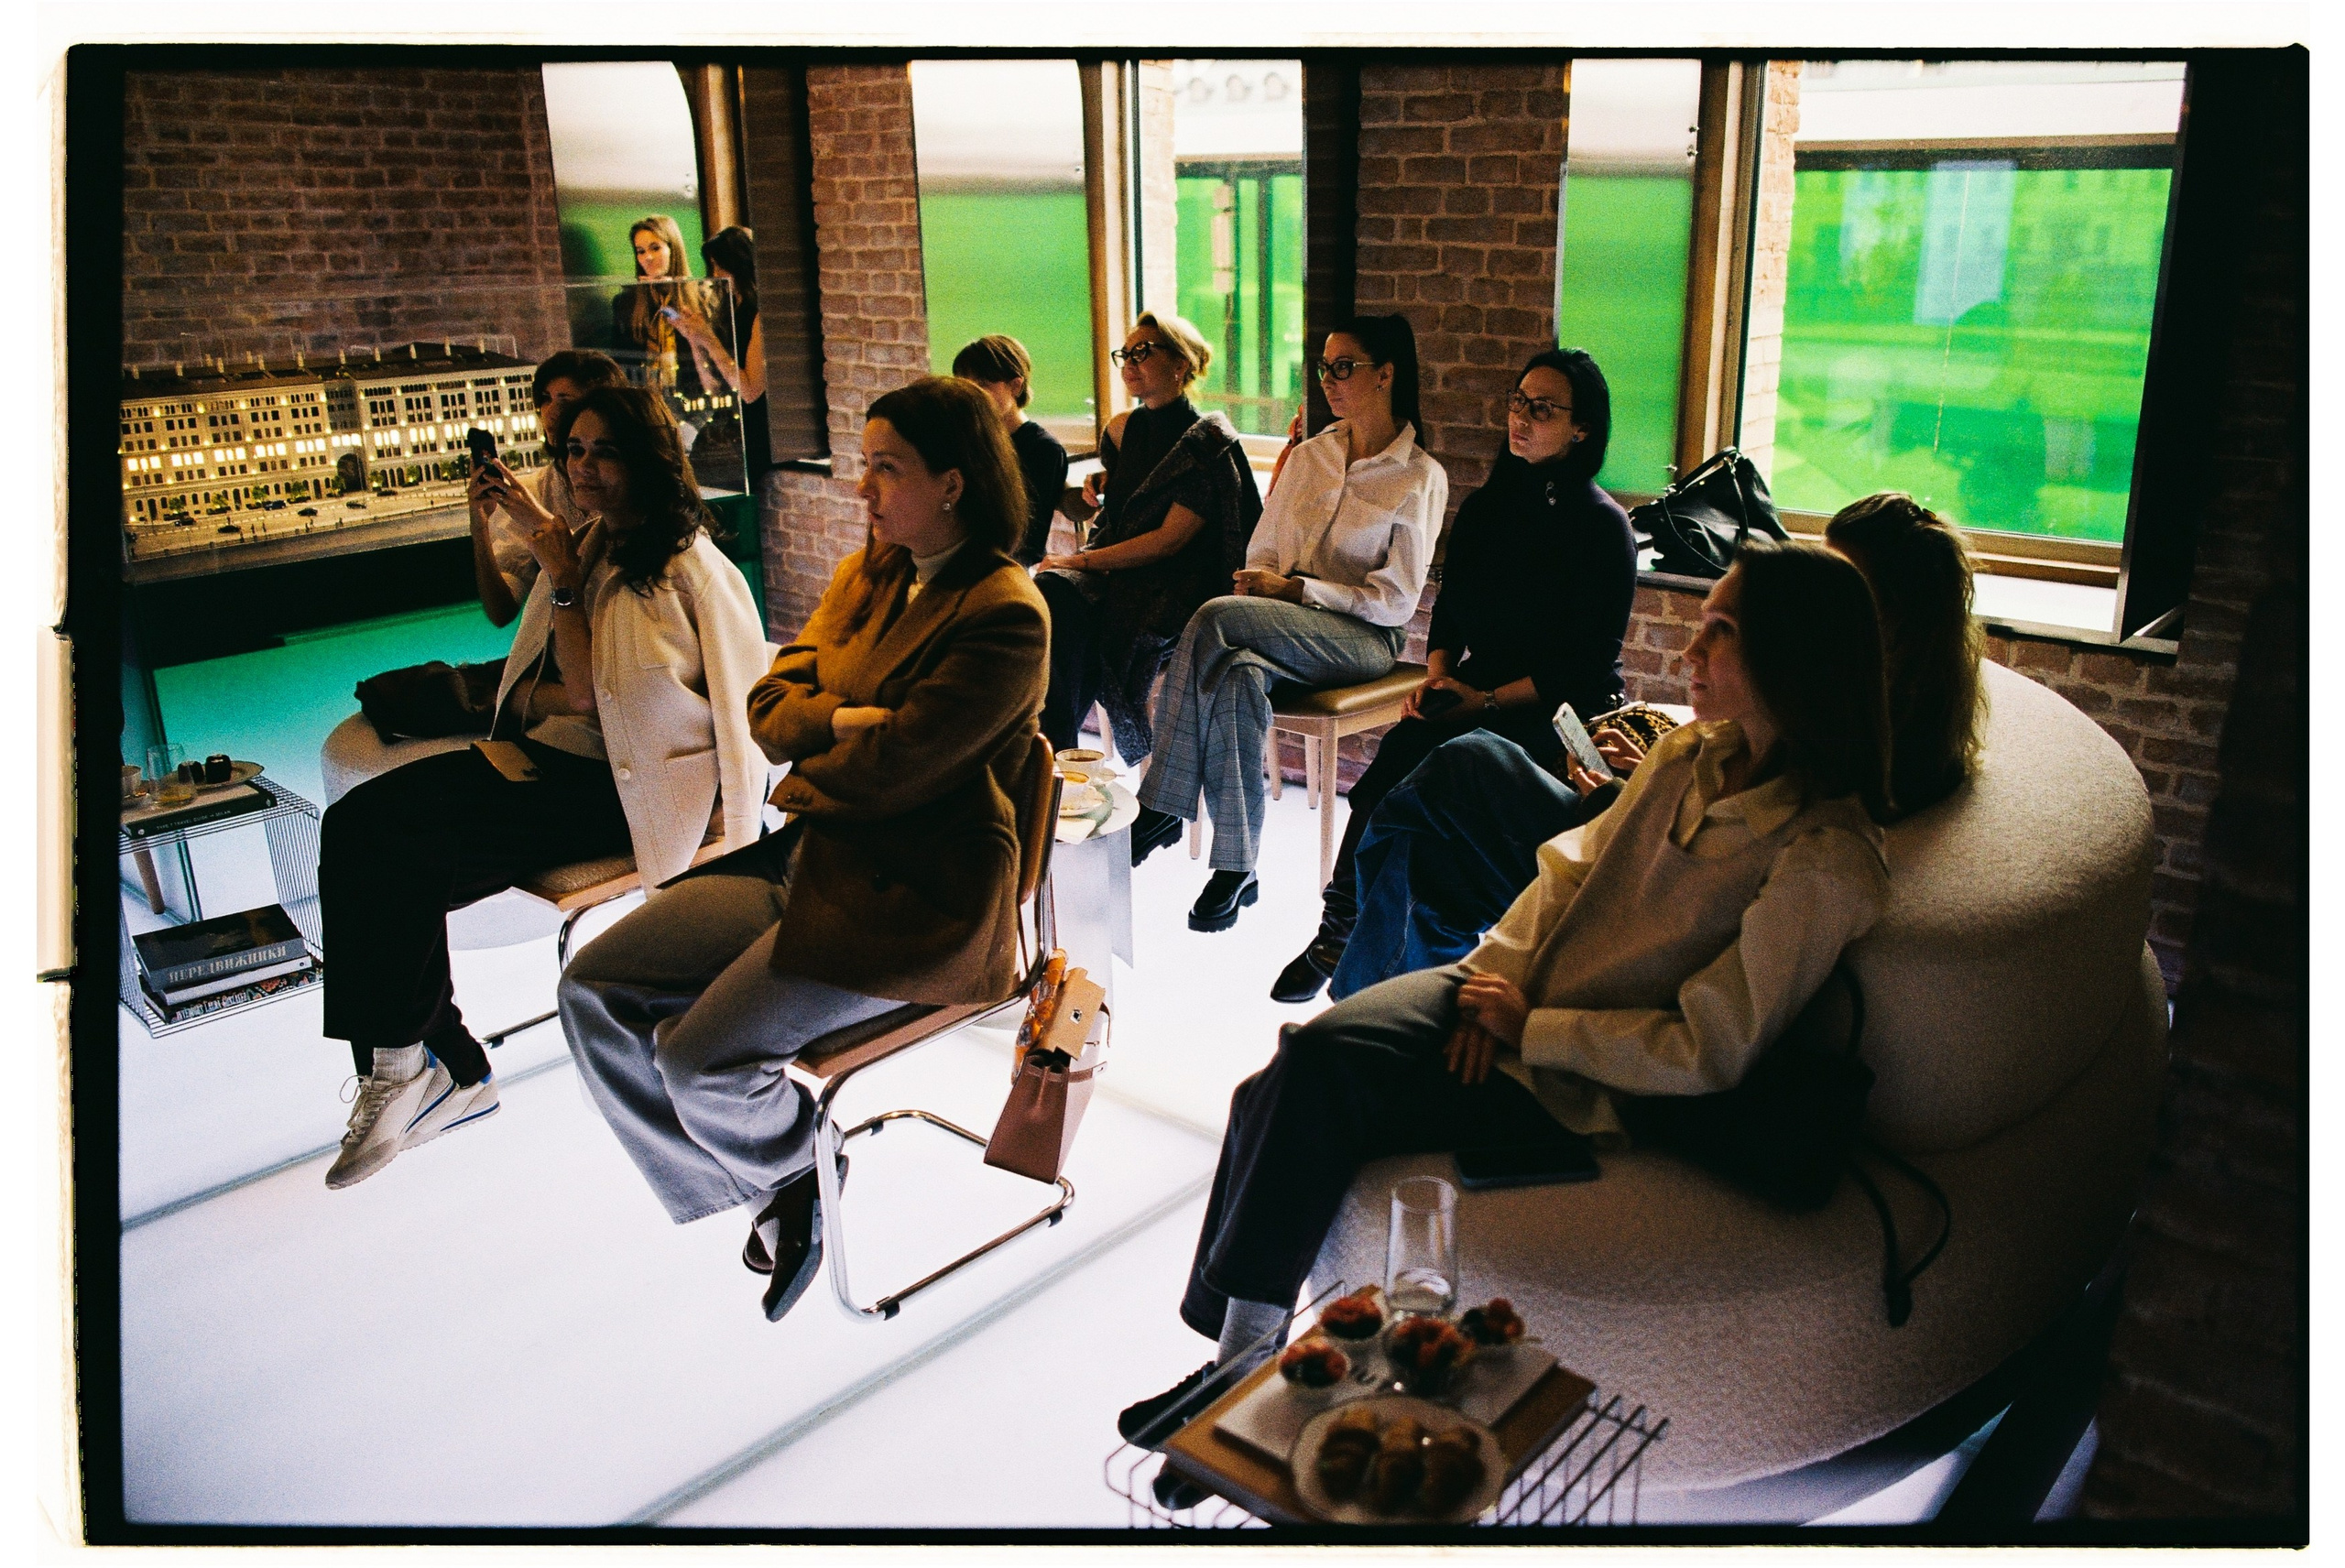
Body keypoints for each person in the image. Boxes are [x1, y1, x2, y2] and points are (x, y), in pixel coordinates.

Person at [1118, 540, 1895, 1438]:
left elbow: (1708, 1046)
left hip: (1587, 1072)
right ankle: (1238, 1369)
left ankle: (1237, 1378)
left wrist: (1536, 1026)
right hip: (1514, 992)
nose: (1688, 650)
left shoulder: (1824, 858)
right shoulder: (1689, 753)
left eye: (1720, 632)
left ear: (1791, 661)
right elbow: (1569, 872)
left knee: (1314, 1068)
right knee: (1286, 1074)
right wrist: (1501, 976)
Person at [559, 376, 1050, 1323]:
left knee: (701, 1063)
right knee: (594, 990)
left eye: (884, 469)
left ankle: (783, 1166)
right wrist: (844, 721)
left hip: (921, 893)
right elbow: (768, 708)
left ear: (953, 482)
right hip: (815, 855)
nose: (861, 489)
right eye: (863, 465)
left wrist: (823, 737)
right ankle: (777, 1182)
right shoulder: (869, 572)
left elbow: (892, 768)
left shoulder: (1004, 610)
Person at [322, 386, 770, 1191]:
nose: (584, 467)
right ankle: (424, 1064)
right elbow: (560, 686)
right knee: (360, 823)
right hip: (553, 761)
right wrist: (556, 569)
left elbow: (744, 727)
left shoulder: (693, 570)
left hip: (623, 793)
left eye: (605, 451)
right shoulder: (590, 545)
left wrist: (734, 861)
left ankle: (427, 1069)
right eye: (574, 450)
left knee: (403, 844)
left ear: (648, 461)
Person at [1327, 490, 1984, 1001]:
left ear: (1887, 613)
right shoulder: (1846, 689)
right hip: (1633, 822)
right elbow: (1737, 778)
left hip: (1638, 867)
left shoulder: (1857, 735)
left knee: (1464, 767)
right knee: (1437, 856)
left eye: (1837, 577)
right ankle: (1387, 991)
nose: (1810, 589)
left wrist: (1629, 790)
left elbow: (1732, 845)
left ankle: (1359, 964)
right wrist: (1659, 762)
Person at [1269, 348, 1635, 1003]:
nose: (1520, 418)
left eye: (1542, 409)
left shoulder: (1602, 526)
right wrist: (1438, 680)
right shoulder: (1489, 509)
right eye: (1518, 402)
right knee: (1397, 763)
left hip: (1557, 708)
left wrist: (1482, 700)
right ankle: (1342, 930)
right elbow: (1449, 617)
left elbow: (1582, 664)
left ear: (1582, 429)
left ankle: (1374, 952)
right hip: (1475, 691)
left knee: (1436, 806)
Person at [1129, 314, 1445, 931]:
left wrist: (1299, 590)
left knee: (1216, 617)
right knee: (1239, 673)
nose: (1329, 379)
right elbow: (1261, 555)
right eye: (1324, 367)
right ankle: (1236, 868)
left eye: (1344, 367)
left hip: (1364, 639)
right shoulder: (1309, 457)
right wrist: (1274, 587)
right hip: (1276, 626)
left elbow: (1396, 602)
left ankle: (1164, 799)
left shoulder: (1419, 476)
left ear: (1386, 375)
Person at [1032, 311, 1260, 765]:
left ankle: (1058, 760)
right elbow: (1133, 498)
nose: (1129, 362)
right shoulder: (1121, 429)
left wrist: (1080, 561)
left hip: (1176, 584)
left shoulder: (1206, 440)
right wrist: (1105, 483)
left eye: (1144, 352)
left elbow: (1168, 541)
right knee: (1050, 595)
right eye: (1125, 353)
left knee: (1078, 611)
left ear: (1180, 363)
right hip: (1121, 572)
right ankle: (1056, 753)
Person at [466, 349, 627, 626]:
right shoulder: (537, 489)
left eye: (565, 400)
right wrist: (479, 525)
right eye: (545, 399)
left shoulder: (631, 486)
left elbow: (618, 576)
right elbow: (502, 611)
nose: (550, 412)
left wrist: (538, 520)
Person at [953, 333, 1070, 569]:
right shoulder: (967, 439)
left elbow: (1027, 540)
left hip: (1004, 565)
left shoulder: (1043, 449)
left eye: (983, 385)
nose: (972, 395)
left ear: (1015, 385)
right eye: (965, 386)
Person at [668, 224, 773, 485]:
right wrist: (694, 340)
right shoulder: (728, 311)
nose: (715, 274)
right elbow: (713, 387)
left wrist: (710, 339)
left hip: (754, 433)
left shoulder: (758, 314)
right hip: (727, 426)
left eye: (719, 265)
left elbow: (749, 391)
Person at [610, 214, 717, 401]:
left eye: (655, 248)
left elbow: (714, 358)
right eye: (640, 251)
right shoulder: (627, 302)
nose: (647, 258)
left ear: (673, 249)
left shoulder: (702, 296)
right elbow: (620, 364)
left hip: (698, 400)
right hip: (647, 402)